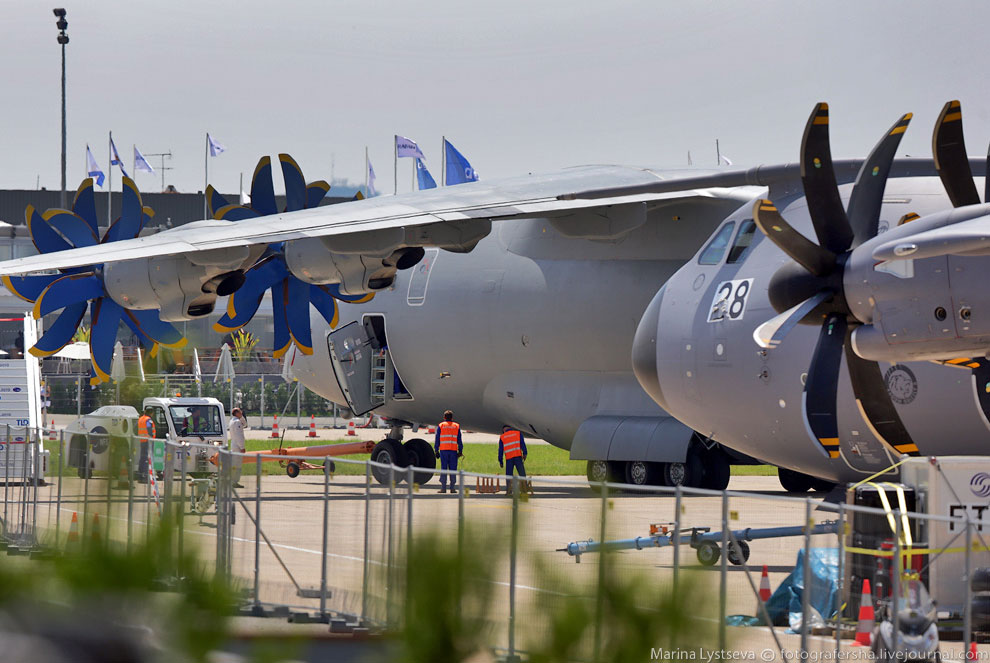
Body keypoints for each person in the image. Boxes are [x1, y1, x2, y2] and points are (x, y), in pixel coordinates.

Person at [434, 410, 463, 493]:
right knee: (453, 469)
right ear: (452, 418)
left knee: (444, 468)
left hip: (443, 450)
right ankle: (452, 488)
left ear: (444, 417)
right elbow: (459, 440)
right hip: (453, 451)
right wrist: (460, 451)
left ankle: (443, 488)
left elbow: (437, 439)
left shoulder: (441, 426)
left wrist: (436, 450)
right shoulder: (456, 426)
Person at [498, 425, 527, 491]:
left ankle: (509, 490)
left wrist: (500, 461)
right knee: (522, 473)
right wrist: (525, 453)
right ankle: (525, 488)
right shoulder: (518, 433)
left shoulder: (503, 437)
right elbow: (523, 444)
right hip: (518, 457)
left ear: (504, 430)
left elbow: (500, 450)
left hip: (509, 458)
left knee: (509, 475)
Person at [228, 407, 247, 488]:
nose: (241, 412)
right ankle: (234, 481)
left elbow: (245, 424)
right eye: (240, 412)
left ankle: (233, 481)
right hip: (237, 446)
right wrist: (242, 447)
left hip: (234, 444)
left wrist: (241, 417)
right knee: (237, 464)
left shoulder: (232, 421)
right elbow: (240, 436)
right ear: (236, 413)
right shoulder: (237, 422)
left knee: (235, 463)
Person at [137, 407, 156, 483]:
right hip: (148, 441)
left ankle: (140, 475)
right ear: (151, 412)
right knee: (147, 458)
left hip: (142, 440)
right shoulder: (148, 420)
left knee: (142, 458)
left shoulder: (141, 419)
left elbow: (136, 428)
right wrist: (151, 437)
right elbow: (149, 428)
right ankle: (145, 476)